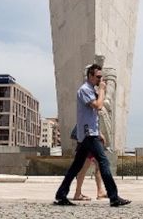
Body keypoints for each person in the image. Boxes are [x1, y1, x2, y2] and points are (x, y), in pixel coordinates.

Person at [54, 64, 130, 207]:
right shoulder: (84, 90)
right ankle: (113, 197)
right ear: (90, 76)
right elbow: (98, 106)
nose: (100, 79)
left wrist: (99, 132)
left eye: (101, 77)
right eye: (98, 77)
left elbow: (92, 115)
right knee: (104, 162)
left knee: (76, 166)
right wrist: (102, 90)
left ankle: (61, 194)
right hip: (88, 134)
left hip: (89, 133)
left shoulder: (90, 90)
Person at [72, 136, 108, 201]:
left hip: (88, 142)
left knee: (96, 166)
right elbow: (93, 128)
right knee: (84, 169)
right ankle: (77, 193)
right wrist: (101, 136)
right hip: (91, 143)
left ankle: (100, 191)